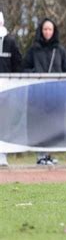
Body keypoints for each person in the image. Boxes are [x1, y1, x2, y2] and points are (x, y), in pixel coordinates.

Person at [23, 18, 66, 165]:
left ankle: (49, 154)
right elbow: (24, 68)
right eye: (45, 29)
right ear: (41, 31)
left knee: (53, 125)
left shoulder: (60, 50)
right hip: (37, 94)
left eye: (50, 29)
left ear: (54, 31)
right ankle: (40, 155)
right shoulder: (33, 49)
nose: (47, 32)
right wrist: (36, 72)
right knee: (38, 124)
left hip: (55, 94)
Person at [0, 12, 22, 167]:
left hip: (6, 89)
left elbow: (18, 65)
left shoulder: (11, 42)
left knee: (4, 122)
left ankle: (2, 155)